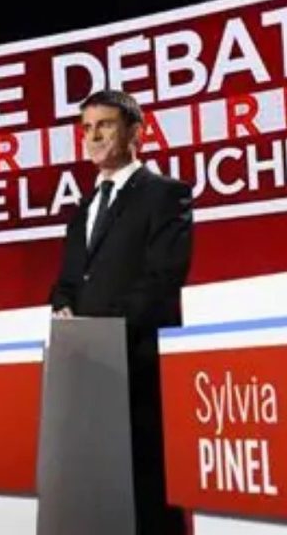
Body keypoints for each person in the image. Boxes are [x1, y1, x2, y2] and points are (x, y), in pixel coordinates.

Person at [50, 89, 193, 534]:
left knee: (148, 495)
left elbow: (163, 278)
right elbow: (68, 280)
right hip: (89, 370)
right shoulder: (84, 208)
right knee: (101, 497)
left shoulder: (165, 194)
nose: (93, 136)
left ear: (136, 132)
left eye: (105, 125)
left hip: (139, 363)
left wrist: (104, 331)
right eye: (86, 128)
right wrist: (63, 309)